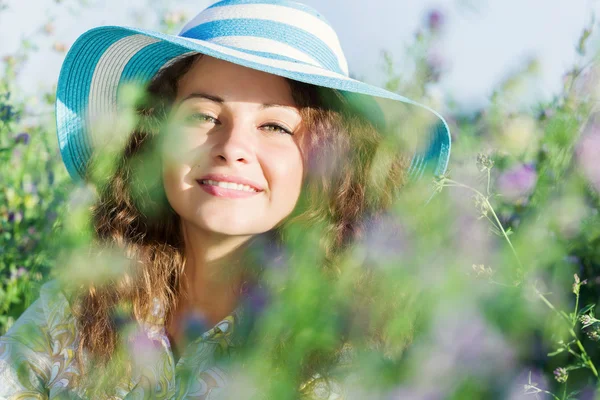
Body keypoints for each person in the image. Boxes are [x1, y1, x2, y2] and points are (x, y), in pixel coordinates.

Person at [0, 0, 451, 398]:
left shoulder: (345, 352)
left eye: (275, 126)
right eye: (204, 115)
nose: (232, 146)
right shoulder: (78, 310)